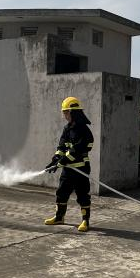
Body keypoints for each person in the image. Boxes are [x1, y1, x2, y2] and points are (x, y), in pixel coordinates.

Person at [43, 96, 94, 232]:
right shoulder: (67, 128)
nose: (64, 115)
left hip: (81, 169)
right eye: (64, 113)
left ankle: (85, 221)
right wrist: (55, 159)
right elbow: (62, 146)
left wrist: (63, 160)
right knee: (61, 192)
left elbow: (78, 149)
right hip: (68, 170)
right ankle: (59, 217)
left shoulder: (84, 130)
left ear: (73, 112)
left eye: (66, 112)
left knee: (82, 195)